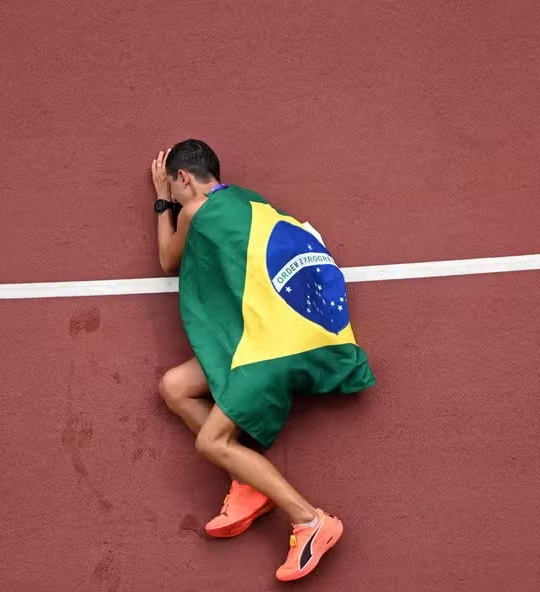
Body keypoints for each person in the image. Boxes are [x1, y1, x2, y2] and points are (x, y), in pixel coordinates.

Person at [150, 139, 375, 582]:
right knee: (174, 387)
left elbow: (166, 259)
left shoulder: (193, 210)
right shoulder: (251, 200)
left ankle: (310, 521)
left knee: (211, 442)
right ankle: (250, 484)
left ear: (183, 179)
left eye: (175, 189)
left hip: (269, 344)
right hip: (284, 329)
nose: (176, 199)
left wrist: (161, 203)